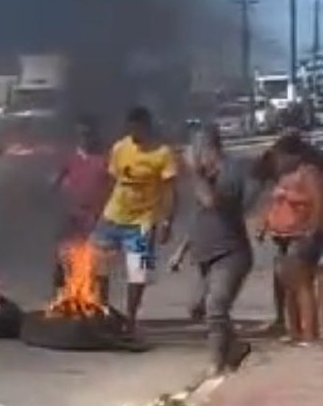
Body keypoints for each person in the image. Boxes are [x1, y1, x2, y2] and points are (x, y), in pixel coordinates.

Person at [168, 125, 253, 376]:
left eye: (197, 150)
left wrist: (193, 172)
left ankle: (215, 364)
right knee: (197, 308)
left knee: (216, 308)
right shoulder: (205, 175)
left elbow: (211, 201)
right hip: (206, 254)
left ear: (209, 148)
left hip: (231, 254)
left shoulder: (230, 172)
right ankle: (235, 346)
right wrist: (180, 252)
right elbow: (199, 217)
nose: (194, 155)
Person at [92, 106, 178, 335]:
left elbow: (170, 190)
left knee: (137, 272)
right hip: (113, 216)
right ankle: (102, 312)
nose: (134, 133)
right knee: (98, 265)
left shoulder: (163, 153)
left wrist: (167, 222)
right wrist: (98, 211)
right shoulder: (120, 147)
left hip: (142, 222)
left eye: (138, 128)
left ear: (147, 127)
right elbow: (111, 182)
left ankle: (131, 318)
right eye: (130, 128)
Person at [253, 133, 323, 345]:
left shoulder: (309, 174)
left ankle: (310, 333)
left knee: (302, 284)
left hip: (301, 233)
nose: (279, 161)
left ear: (294, 155)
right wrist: (264, 225)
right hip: (282, 235)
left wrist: (312, 230)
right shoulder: (283, 176)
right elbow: (275, 205)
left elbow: (319, 202)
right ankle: (294, 330)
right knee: (287, 284)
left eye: (282, 156)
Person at [51, 116, 111, 289]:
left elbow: (112, 185)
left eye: (88, 134)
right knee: (63, 255)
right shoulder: (69, 158)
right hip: (72, 215)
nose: (85, 137)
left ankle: (99, 300)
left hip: (97, 217)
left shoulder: (103, 159)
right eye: (81, 134)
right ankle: (63, 292)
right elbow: (56, 183)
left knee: (98, 261)